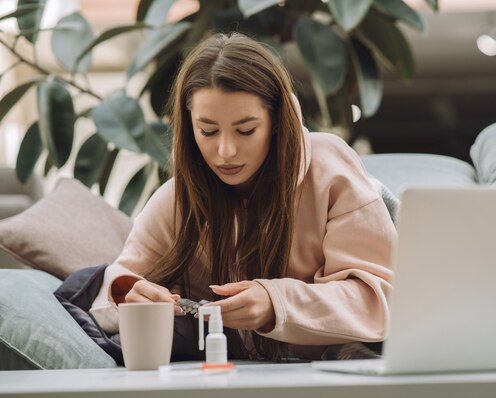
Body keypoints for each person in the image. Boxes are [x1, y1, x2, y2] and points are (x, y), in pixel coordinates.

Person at [90, 32, 397, 361]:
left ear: (277, 121)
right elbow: (112, 290)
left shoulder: (328, 167)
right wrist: (130, 294)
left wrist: (275, 303)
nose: (225, 151)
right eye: (207, 131)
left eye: (246, 130)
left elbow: (381, 300)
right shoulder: (178, 200)